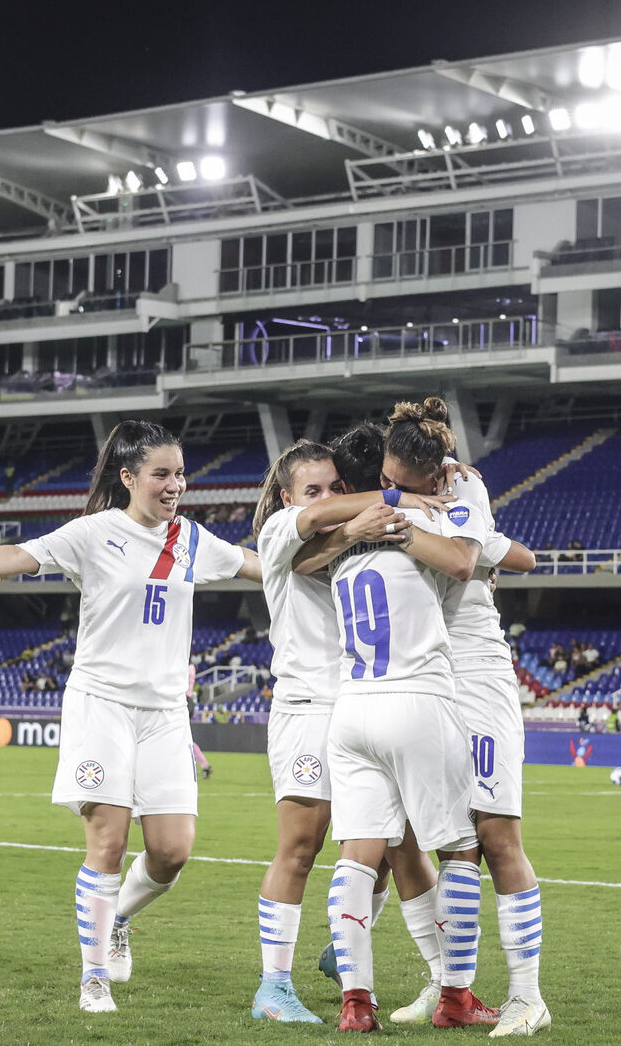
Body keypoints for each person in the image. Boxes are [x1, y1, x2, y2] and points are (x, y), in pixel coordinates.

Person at [0, 420, 259, 1015]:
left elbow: (265, 567)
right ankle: (94, 978)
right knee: (108, 841)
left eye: (180, 473)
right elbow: (19, 555)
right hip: (101, 703)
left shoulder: (194, 539)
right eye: (161, 474)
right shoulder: (94, 532)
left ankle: (120, 919)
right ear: (129, 477)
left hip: (164, 713)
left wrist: (332, 561)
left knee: (172, 850)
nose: (175, 484)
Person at [308, 402, 547, 1034]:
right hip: (419, 684)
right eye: (382, 480)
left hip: (472, 674)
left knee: (492, 835)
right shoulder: (396, 502)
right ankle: (446, 985)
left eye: (400, 482)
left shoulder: (461, 485)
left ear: (430, 472)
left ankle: (526, 994)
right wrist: (393, 513)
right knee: (405, 844)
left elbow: (484, 559)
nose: (390, 490)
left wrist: (403, 522)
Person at [245, 438, 410, 1023]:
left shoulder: (346, 545)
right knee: (300, 846)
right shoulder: (281, 530)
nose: (327, 497)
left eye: (335, 485)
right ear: (288, 496)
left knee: (391, 843)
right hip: (308, 706)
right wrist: (402, 494)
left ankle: (341, 950)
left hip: (364, 705)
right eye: (311, 489)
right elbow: (317, 521)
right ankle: (273, 987)